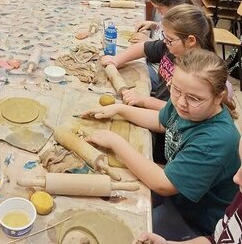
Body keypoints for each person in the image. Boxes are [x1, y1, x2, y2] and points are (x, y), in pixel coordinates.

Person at [83, 49, 239, 241]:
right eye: (175, 89)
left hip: (195, 220)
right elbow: (160, 121)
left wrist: (116, 142)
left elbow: (163, 184)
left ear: (218, 97)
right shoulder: (186, 100)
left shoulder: (215, 141)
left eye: (194, 98)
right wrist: (119, 109)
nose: (181, 102)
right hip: (176, 194)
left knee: (120, 229)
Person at [104, 5, 215, 110]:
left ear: (190, 40)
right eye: (164, 36)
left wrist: (144, 100)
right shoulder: (172, 47)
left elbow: (180, 111)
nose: (165, 42)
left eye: (170, 39)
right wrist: (116, 60)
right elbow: (143, 47)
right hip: (159, 104)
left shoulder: (199, 72)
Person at [133, 137, 242, 244]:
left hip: (194, 223)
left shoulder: (216, 142)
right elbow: (215, 239)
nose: (236, 178)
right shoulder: (240, 199)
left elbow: (162, 184)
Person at [131, 0, 197, 44]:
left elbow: (170, 48)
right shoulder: (171, 14)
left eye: (159, 8)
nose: (158, 12)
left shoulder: (181, 23)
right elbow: (163, 31)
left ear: (172, 4)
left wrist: (149, 42)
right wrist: (154, 25)